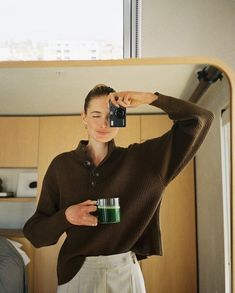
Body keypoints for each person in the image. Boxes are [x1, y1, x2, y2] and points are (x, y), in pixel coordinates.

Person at [23, 85, 214, 293]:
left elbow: (200, 119)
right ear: (83, 117)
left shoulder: (144, 161)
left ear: (121, 117)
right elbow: (35, 234)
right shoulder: (61, 165)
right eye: (96, 115)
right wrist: (66, 217)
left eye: (111, 115)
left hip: (126, 273)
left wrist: (149, 98)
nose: (104, 123)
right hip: (77, 272)